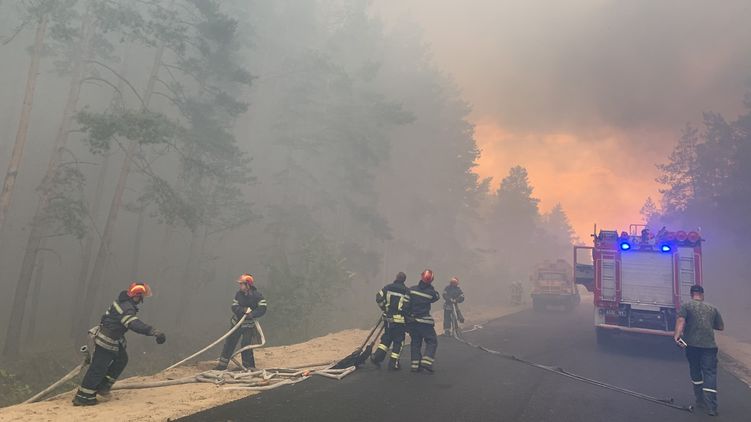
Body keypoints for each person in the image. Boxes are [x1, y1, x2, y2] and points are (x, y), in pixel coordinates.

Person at [73, 282, 166, 406]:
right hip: (107, 339)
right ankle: (83, 397)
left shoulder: (123, 301)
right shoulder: (127, 307)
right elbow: (133, 324)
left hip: (114, 337)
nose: (141, 299)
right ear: (137, 296)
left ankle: (103, 387)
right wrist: (153, 332)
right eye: (141, 297)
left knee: (122, 359)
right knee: (98, 368)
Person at [674, 284, 725, 416]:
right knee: (710, 373)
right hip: (709, 347)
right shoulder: (712, 308)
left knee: (695, 371)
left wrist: (677, 335)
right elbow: (720, 327)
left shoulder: (686, 306)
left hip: (692, 346)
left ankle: (700, 400)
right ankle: (712, 407)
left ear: (691, 294)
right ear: (702, 295)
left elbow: (681, 320)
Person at [215, 273, 267, 371]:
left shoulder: (257, 296)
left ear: (248, 285)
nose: (240, 286)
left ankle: (248, 367)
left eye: (242, 284)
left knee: (246, 345)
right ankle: (222, 365)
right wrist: (243, 310)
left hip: (249, 326)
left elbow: (263, 308)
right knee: (230, 343)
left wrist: (253, 314)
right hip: (236, 324)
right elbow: (234, 306)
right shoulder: (238, 294)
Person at [371, 272, 410, 370]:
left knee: (387, 338)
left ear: (396, 277)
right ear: (404, 280)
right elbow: (407, 306)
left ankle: (377, 357)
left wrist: (384, 308)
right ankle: (393, 363)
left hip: (388, 319)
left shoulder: (388, 287)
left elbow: (378, 297)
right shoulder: (406, 291)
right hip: (399, 321)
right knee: (399, 341)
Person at [407, 269, 440, 373]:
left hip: (412, 321)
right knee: (432, 341)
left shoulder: (411, 290)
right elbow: (436, 297)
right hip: (424, 321)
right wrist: (430, 287)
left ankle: (415, 366)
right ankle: (426, 362)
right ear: (431, 280)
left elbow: (406, 303)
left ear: (421, 277)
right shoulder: (431, 293)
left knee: (415, 342)